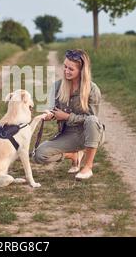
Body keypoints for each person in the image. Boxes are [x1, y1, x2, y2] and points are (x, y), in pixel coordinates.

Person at [32, 49, 106, 180]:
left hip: (89, 133)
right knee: (39, 154)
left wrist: (67, 117)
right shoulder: (57, 86)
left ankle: (88, 166)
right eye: (65, 67)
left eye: (71, 69)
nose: (66, 71)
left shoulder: (93, 89)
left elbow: (92, 118)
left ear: (81, 71)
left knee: (92, 120)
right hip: (68, 134)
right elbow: (52, 109)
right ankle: (73, 155)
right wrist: (50, 114)